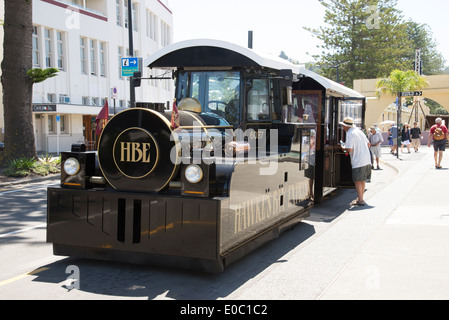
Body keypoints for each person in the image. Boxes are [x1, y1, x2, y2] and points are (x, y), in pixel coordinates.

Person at [340, 117, 372, 206]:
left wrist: (343, 147)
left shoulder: (350, 133)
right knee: (362, 180)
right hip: (366, 159)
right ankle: (361, 198)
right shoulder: (359, 131)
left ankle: (360, 200)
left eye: (343, 126)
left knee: (358, 180)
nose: (343, 128)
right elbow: (368, 144)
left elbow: (349, 149)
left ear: (346, 126)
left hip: (358, 160)